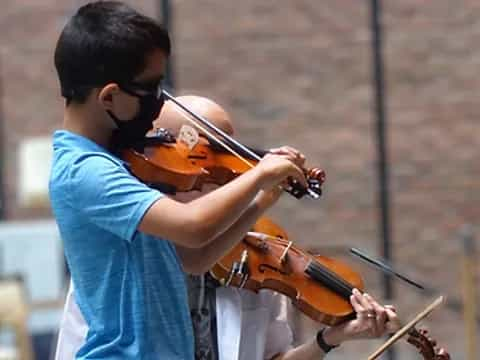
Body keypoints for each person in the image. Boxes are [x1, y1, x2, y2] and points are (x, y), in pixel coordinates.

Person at [50, 1, 309, 359]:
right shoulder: (84, 171)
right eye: (150, 89)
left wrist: (262, 199)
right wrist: (259, 173)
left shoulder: (116, 162)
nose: (159, 103)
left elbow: (195, 258)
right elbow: (193, 227)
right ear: (109, 96)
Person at [54, 95, 400, 360]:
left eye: (229, 159)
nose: (229, 175)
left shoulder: (258, 259)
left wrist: (330, 340)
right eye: (206, 160)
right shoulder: (113, 270)